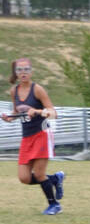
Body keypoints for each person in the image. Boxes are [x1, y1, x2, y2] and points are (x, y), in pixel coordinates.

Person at [3, 58, 64, 215]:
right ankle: (55, 179)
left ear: (31, 72)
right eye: (19, 70)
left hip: (42, 134)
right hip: (27, 137)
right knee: (24, 177)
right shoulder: (14, 91)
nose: (23, 73)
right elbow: (17, 112)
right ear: (15, 72)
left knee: (39, 174)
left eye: (26, 69)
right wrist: (9, 118)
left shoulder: (37, 89)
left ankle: (54, 205)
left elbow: (54, 113)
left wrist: (37, 111)